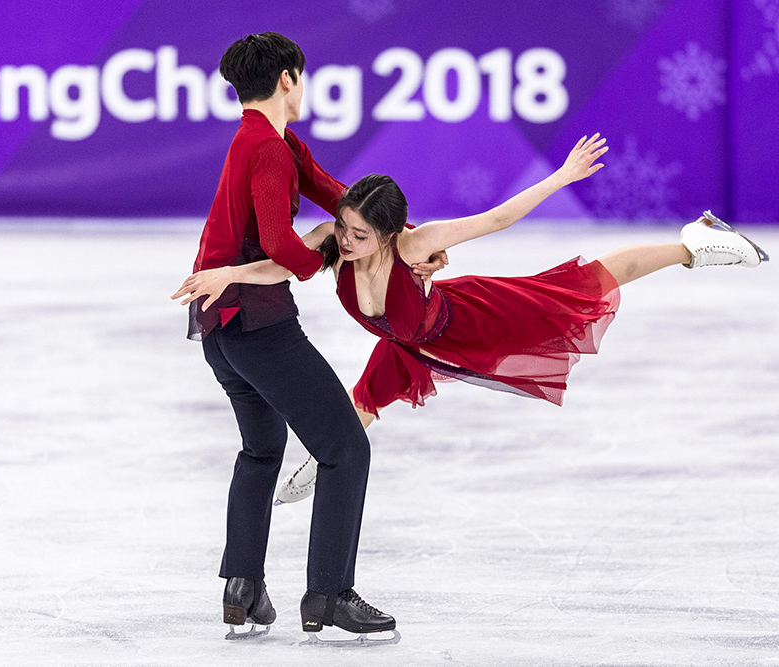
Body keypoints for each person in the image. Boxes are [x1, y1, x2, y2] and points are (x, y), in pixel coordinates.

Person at [173, 133, 769, 503]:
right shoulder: (333, 238)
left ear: (389, 233)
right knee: (369, 394)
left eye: (360, 234)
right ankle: (324, 460)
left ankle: (693, 243)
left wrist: (560, 176)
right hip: (407, 342)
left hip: (469, 319)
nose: (347, 241)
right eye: (345, 227)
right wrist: (229, 274)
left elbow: (494, 220)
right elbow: (283, 265)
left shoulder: (413, 245)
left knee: (584, 288)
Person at [187, 32, 443, 643]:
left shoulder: (269, 141)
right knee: (345, 447)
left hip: (219, 329)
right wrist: (325, 252)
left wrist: (400, 238)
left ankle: (242, 591)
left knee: (261, 450)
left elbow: (336, 193)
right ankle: (328, 593)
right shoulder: (268, 150)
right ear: (287, 79)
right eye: (302, 78)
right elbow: (282, 244)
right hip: (258, 325)